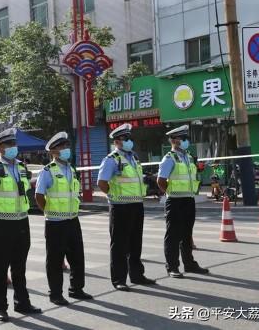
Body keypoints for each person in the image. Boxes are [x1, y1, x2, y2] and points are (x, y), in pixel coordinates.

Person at [0, 128, 41, 322]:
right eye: (9, 145)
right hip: (3, 223)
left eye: (14, 144)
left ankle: (22, 303)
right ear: (0, 148)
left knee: (19, 266)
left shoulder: (21, 167)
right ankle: (0, 307)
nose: (13, 147)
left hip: (22, 221)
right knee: (0, 267)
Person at [35, 132, 93, 306]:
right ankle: (55, 294)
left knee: (77, 257)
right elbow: (39, 196)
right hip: (55, 223)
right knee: (55, 260)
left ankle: (76, 289)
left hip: (73, 220)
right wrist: (50, 212)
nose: (66, 150)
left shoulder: (72, 169)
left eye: (67, 146)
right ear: (53, 151)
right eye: (62, 147)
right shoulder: (47, 171)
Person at [97, 123, 156, 291]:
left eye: (130, 138)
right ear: (117, 141)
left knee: (135, 243)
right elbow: (101, 183)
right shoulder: (111, 159)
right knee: (120, 245)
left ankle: (137, 275)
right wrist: (113, 196)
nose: (129, 141)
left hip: (136, 204)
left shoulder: (134, 158)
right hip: (120, 207)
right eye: (125, 138)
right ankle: (119, 279)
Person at [157, 125, 209, 278]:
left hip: (189, 199)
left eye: (186, 138)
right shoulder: (169, 158)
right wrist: (170, 192)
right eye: (183, 138)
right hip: (175, 201)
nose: (186, 141)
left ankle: (189, 264)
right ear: (174, 140)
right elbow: (161, 181)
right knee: (173, 235)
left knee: (187, 234)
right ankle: (172, 266)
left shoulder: (188, 157)